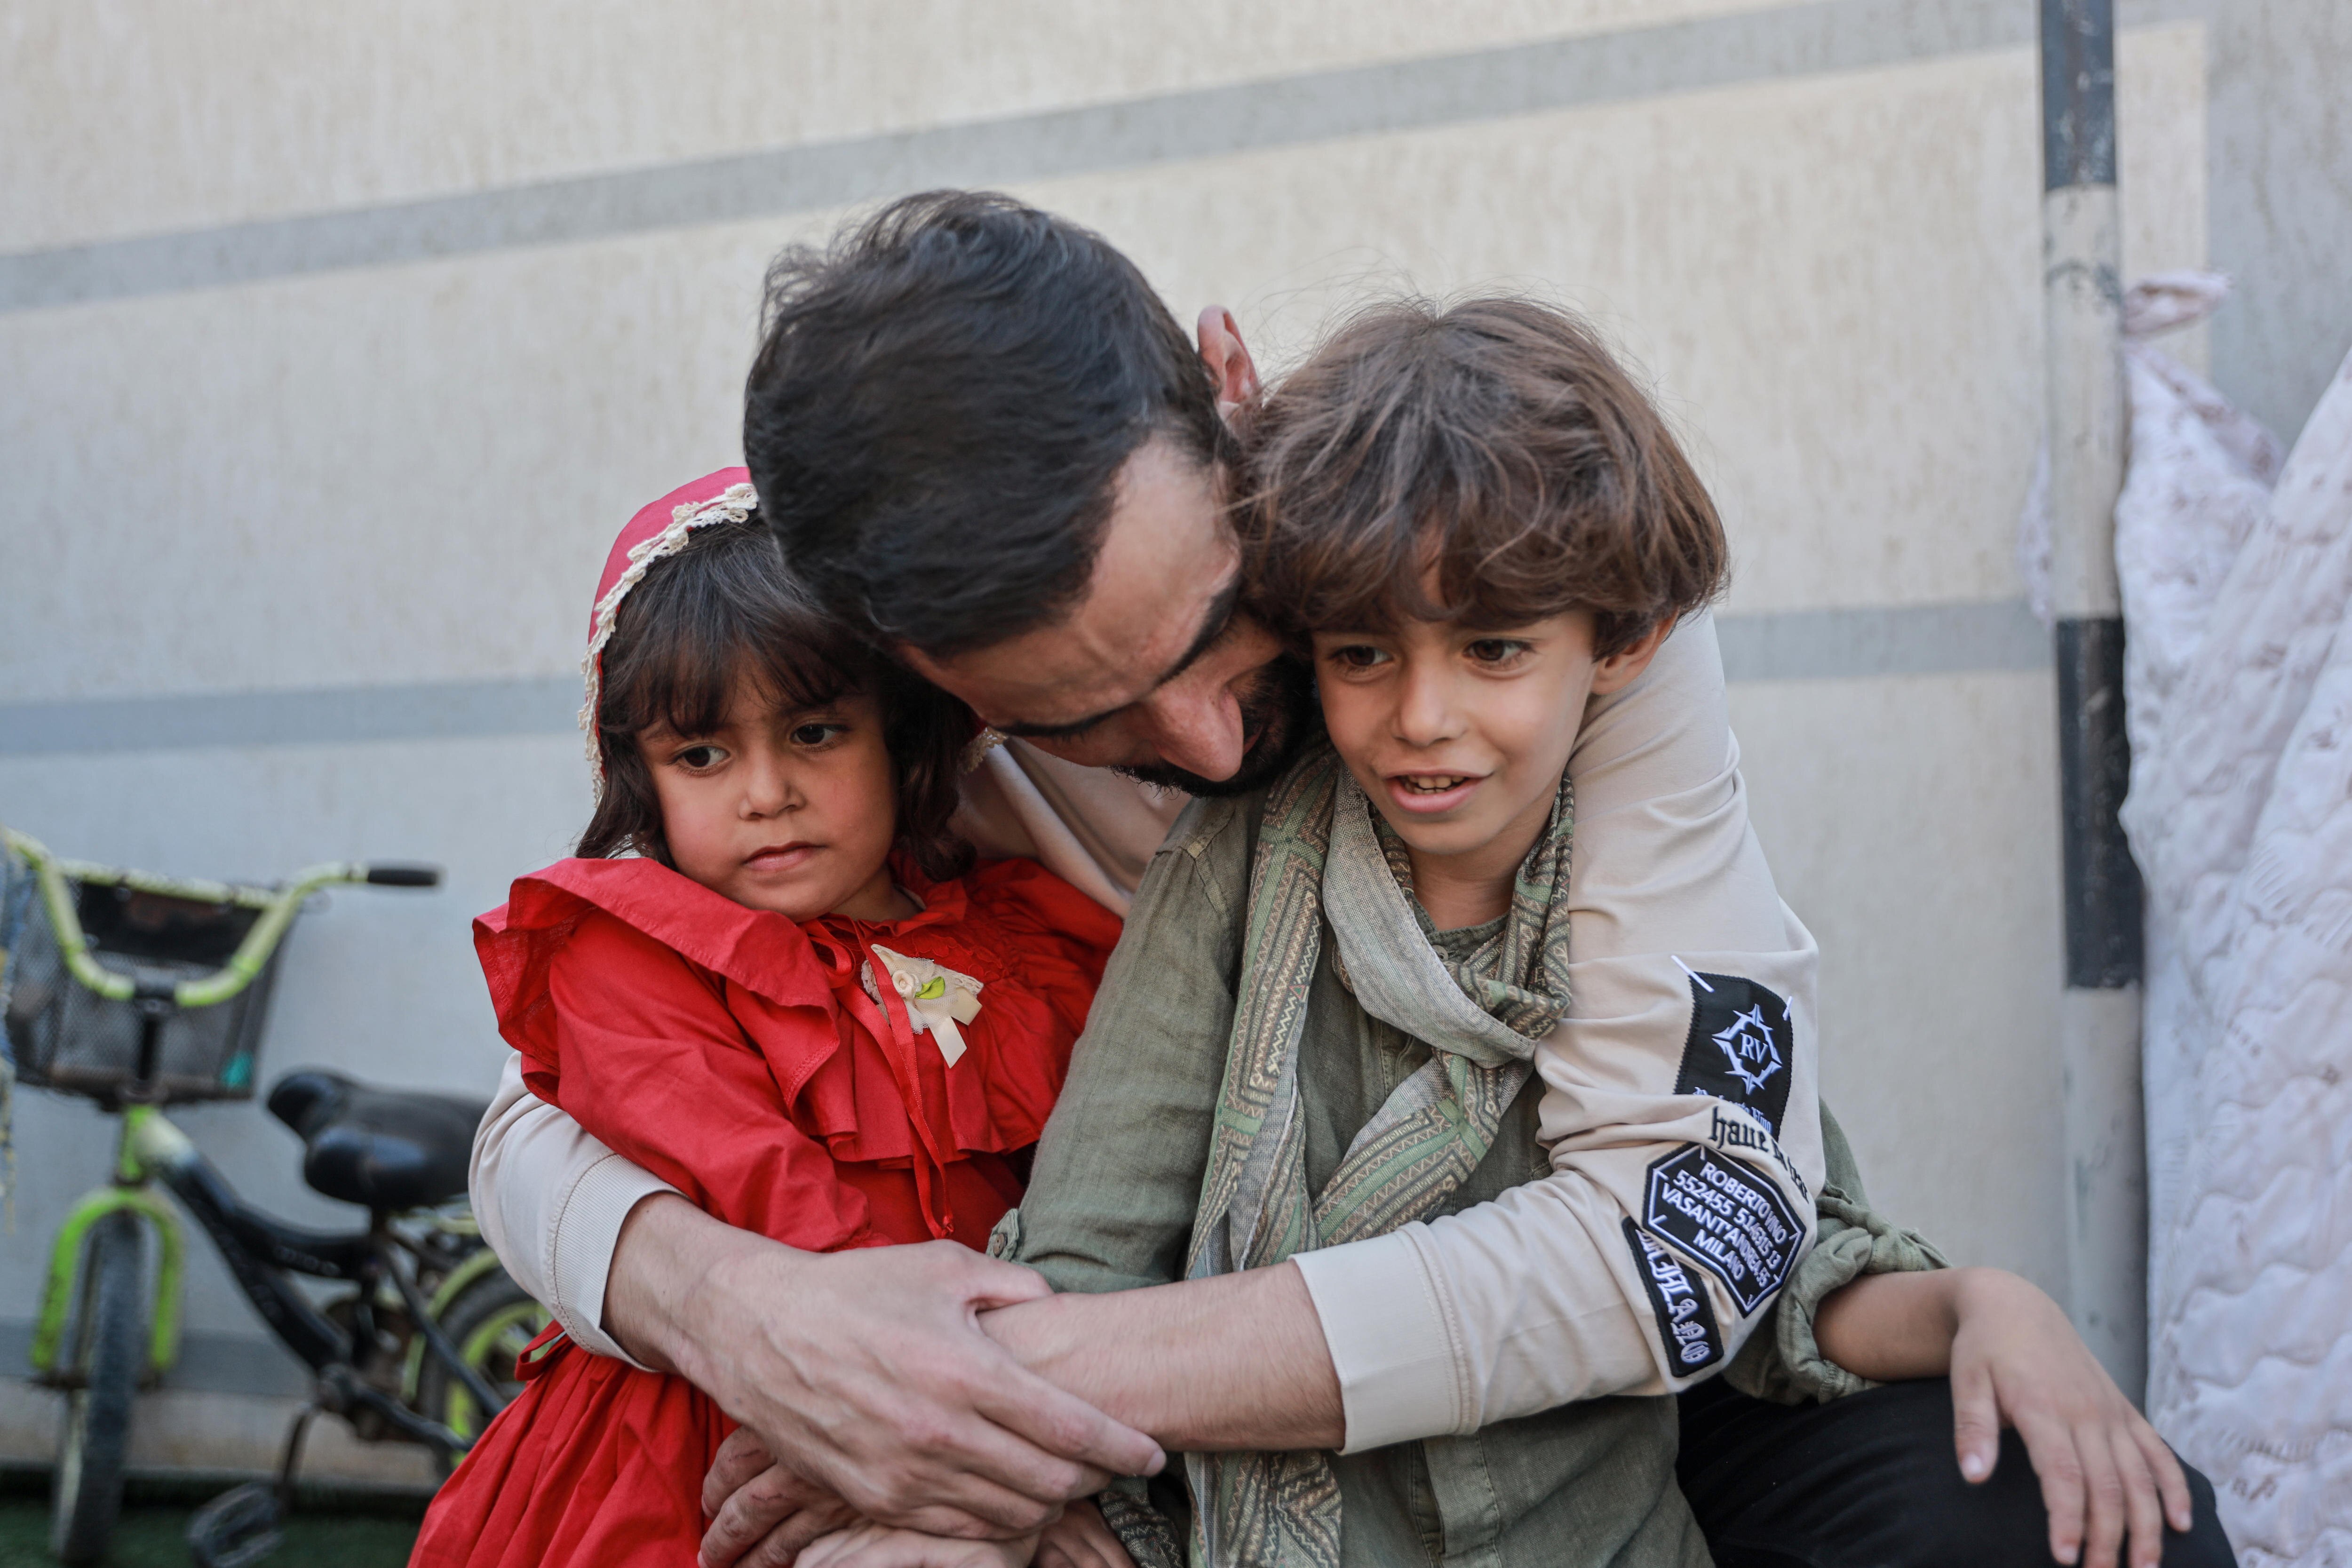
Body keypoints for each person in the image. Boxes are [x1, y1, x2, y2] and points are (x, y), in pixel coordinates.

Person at [469, 195, 2228, 1568]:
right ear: (922, 670)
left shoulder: (1523, 584)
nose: (1216, 746)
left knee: (2046, 1522)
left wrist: (1001, 1394)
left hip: (1568, 1383)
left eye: (1227, 633)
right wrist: (750, 1314)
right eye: (1080, 717)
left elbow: (1676, 1233)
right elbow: (558, 1094)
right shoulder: (861, 734)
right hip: (1156, 1356)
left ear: (1235, 396)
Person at [411, 476, 1132, 1567]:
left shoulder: (1032, 940)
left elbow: (1106, 1198)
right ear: (638, 779)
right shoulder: (630, 950)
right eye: (701, 754)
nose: (765, 791)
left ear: (897, 729)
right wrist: (979, 1467)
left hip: (987, 1410)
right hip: (707, 1451)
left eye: (813, 731)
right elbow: (787, 1219)